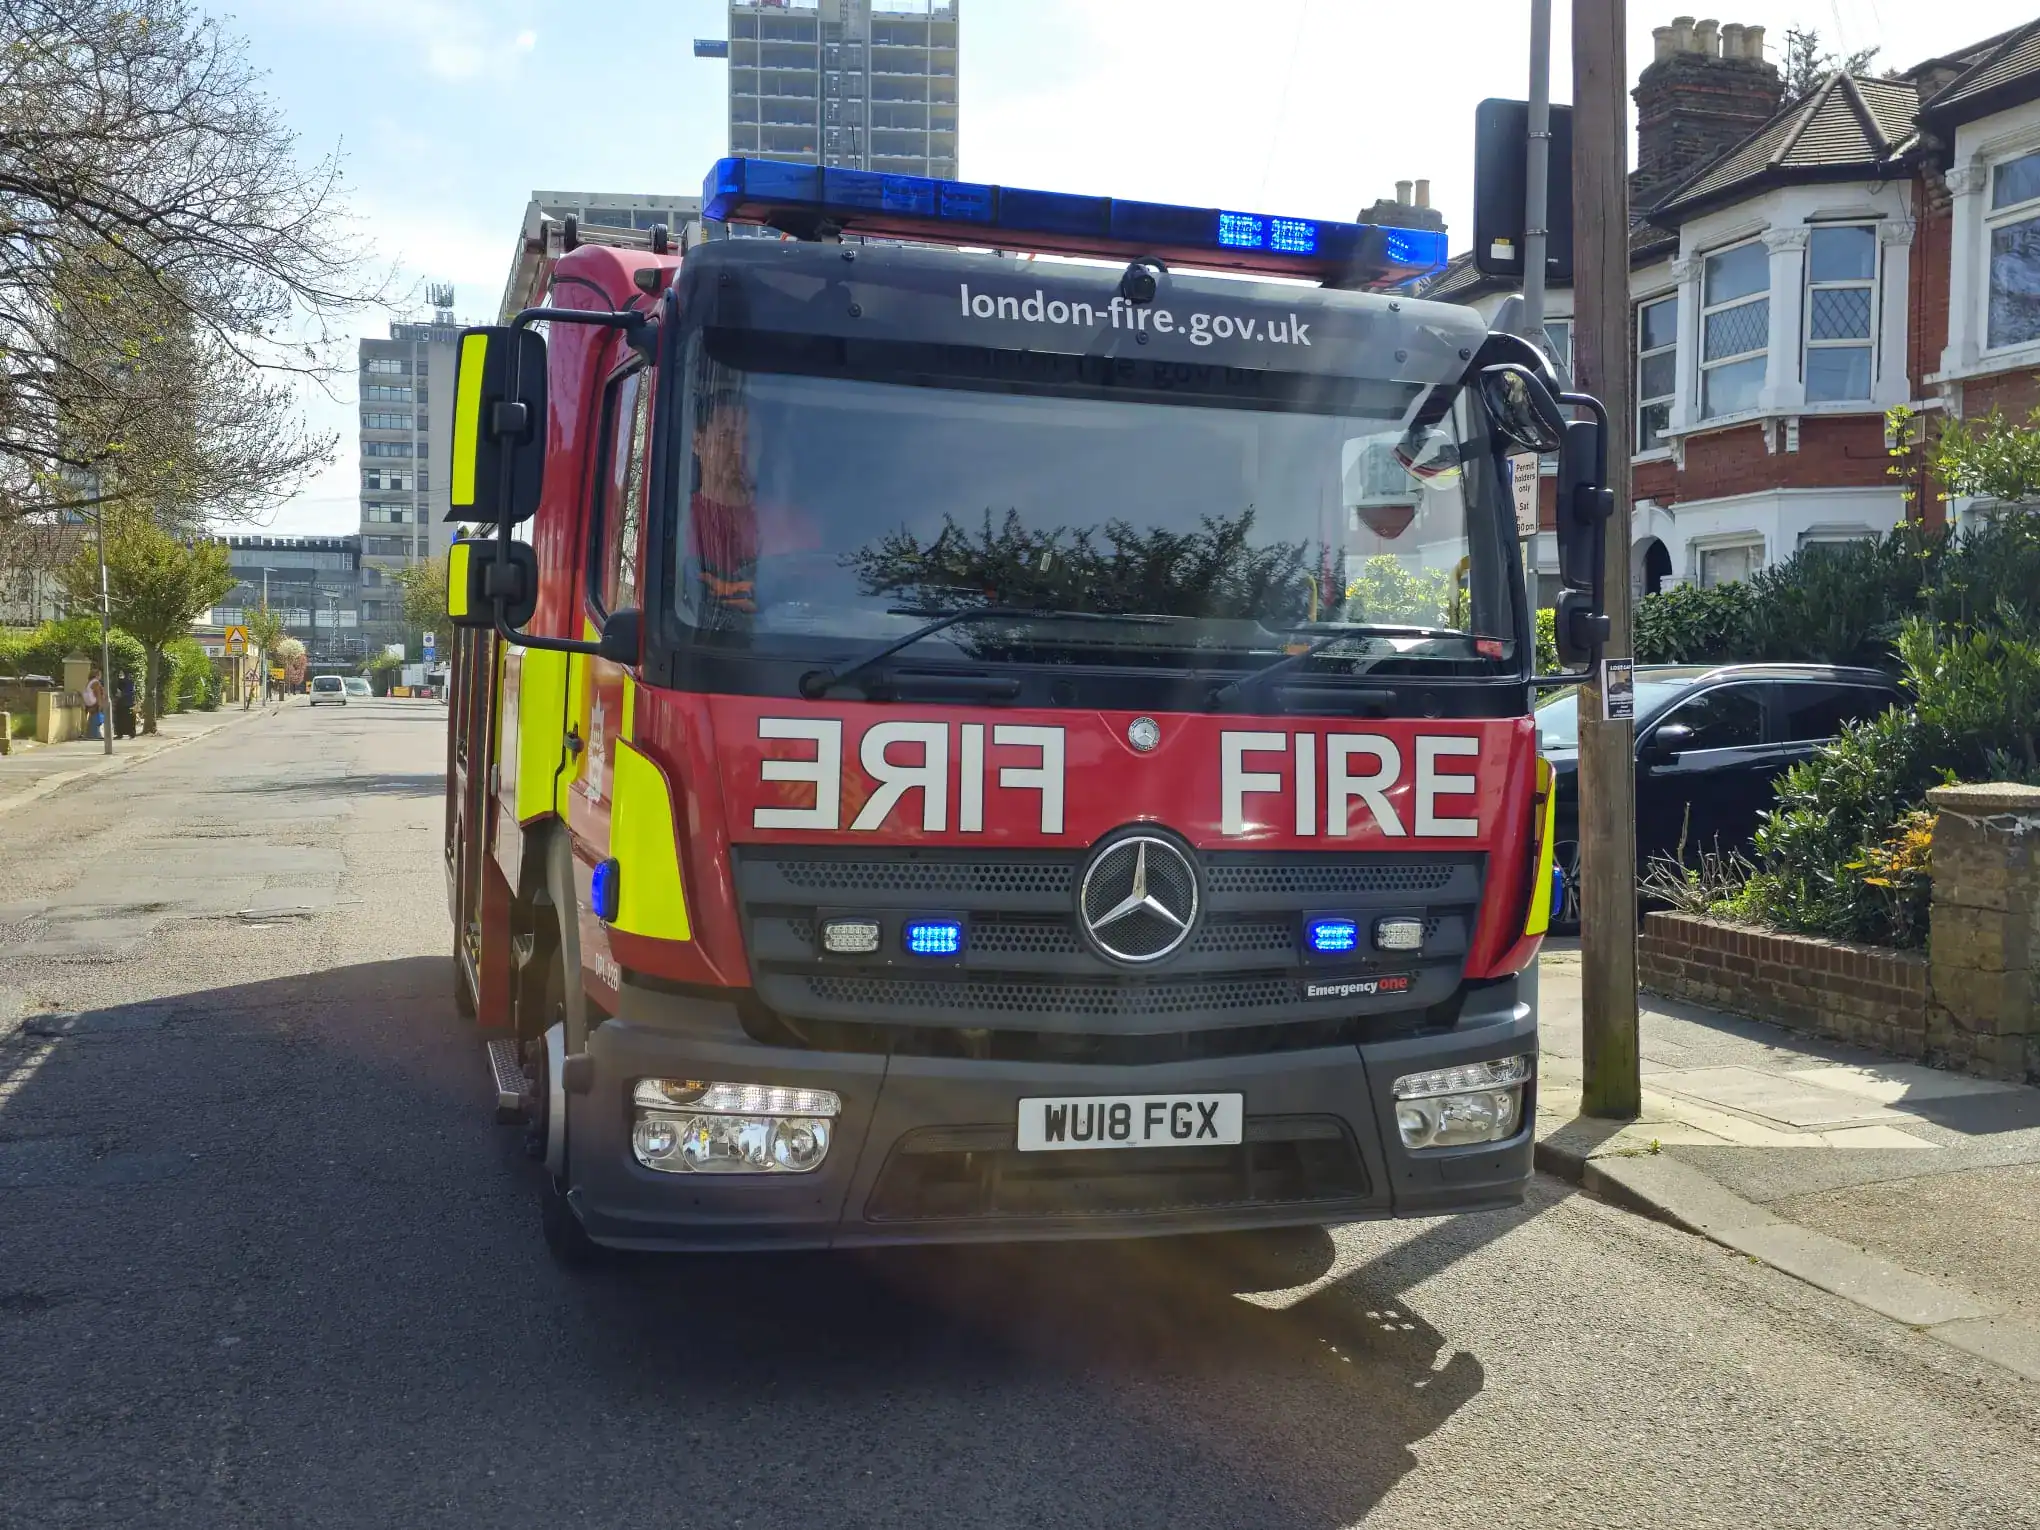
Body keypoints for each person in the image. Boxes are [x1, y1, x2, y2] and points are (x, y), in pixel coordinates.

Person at [81, 667, 104, 741]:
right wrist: (100, 704)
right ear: (97, 675)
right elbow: (98, 694)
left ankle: (90, 734)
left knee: (92, 718)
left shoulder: (89, 682)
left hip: (89, 703)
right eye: (100, 674)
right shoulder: (96, 682)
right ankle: (95, 734)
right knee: (97, 719)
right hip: (94, 702)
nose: (101, 676)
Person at [114, 670, 136, 739]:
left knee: (120, 719)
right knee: (131, 719)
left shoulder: (120, 682)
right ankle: (131, 733)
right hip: (130, 702)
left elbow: (118, 693)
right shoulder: (131, 682)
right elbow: (133, 692)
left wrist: (116, 699)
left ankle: (120, 733)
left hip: (121, 703)